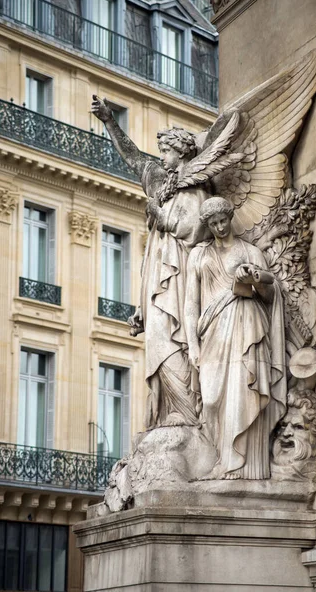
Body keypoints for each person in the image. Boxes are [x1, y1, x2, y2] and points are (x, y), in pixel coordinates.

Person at [91, 95, 211, 428]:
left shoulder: (197, 188)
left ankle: (188, 416)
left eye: (166, 152)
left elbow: (199, 229)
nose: (161, 157)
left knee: (173, 340)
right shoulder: (161, 183)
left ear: (181, 152)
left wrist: (165, 218)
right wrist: (110, 122)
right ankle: (168, 416)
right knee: (157, 339)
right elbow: (132, 158)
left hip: (181, 276)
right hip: (157, 275)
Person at [185, 197, 287, 479]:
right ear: (207, 225)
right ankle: (222, 459)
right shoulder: (199, 255)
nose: (219, 227)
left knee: (245, 390)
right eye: (213, 223)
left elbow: (269, 296)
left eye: (223, 221)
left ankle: (245, 468)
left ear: (230, 218)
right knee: (212, 398)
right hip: (213, 331)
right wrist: (193, 345)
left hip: (247, 326)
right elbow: (190, 305)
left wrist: (254, 279)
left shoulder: (250, 251)